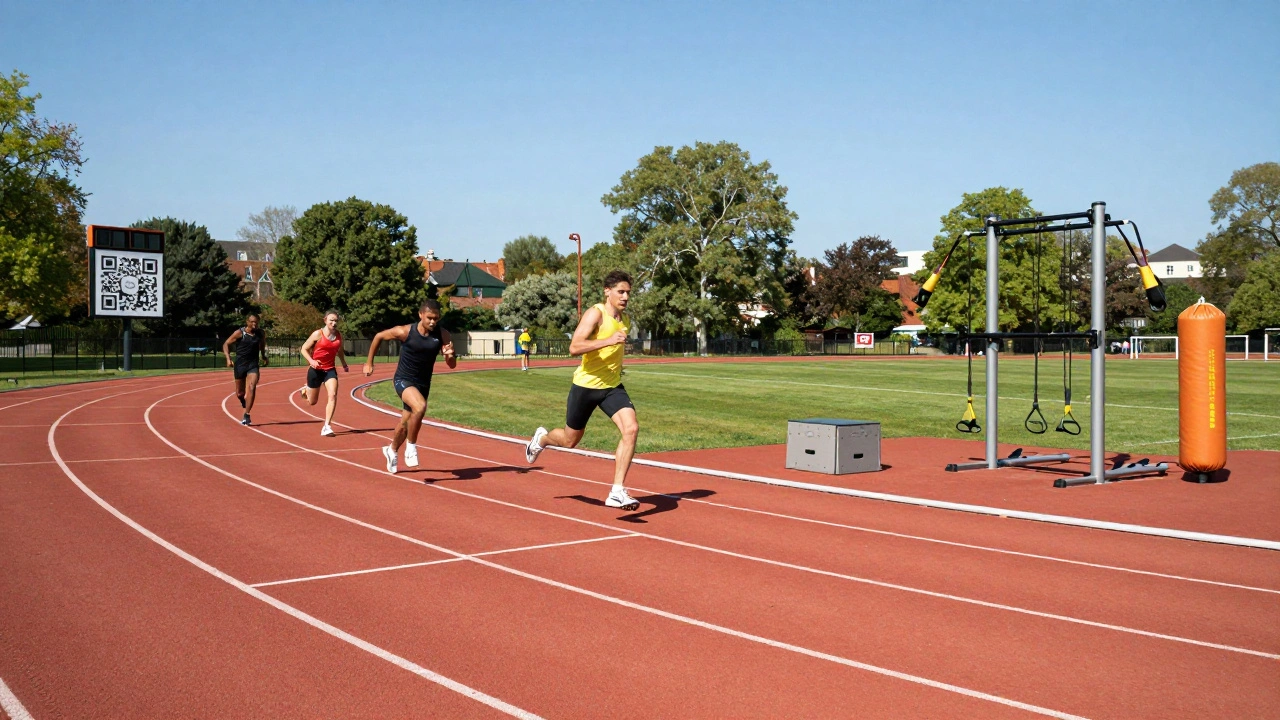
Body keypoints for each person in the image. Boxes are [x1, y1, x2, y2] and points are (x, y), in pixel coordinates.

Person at [524, 270, 640, 511]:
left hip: (611, 387)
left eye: (628, 292)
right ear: (607, 291)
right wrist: (608, 341)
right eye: (621, 291)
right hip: (585, 386)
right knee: (570, 440)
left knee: (631, 428)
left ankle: (617, 491)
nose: (626, 296)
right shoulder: (595, 314)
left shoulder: (624, 320)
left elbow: (613, 353)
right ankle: (542, 438)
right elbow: (574, 347)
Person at [363, 298, 457, 473]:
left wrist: (450, 355)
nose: (432, 322)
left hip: (423, 384)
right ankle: (411, 448)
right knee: (420, 407)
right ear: (420, 314)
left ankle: (391, 450)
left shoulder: (443, 334)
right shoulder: (405, 331)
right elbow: (378, 336)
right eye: (429, 317)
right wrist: (369, 362)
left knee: (405, 423)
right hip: (403, 380)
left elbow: (451, 365)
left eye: (436, 318)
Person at [298, 310, 349, 436]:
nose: (334, 322)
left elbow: (340, 350)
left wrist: (344, 363)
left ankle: (327, 426)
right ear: (325, 320)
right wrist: (311, 361)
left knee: (332, 395)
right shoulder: (318, 334)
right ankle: (305, 390)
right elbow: (304, 348)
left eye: (336, 320)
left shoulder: (338, 335)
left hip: (330, 370)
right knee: (312, 402)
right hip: (315, 370)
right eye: (331, 320)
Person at [222, 314, 268, 426]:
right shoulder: (239, 333)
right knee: (239, 393)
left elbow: (262, 344)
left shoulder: (260, 333)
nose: (254, 324)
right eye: (252, 322)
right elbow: (226, 344)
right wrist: (228, 359)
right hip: (240, 365)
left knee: (252, 386)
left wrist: (263, 356)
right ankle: (243, 401)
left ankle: (247, 415)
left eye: (256, 322)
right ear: (247, 321)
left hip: (253, 364)